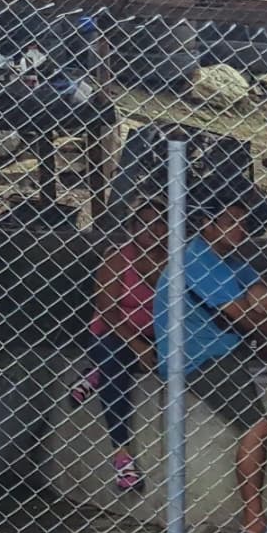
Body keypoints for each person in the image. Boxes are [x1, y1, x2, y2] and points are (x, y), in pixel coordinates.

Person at [156, 182, 267, 533]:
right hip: (198, 355)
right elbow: (245, 316)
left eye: (242, 223)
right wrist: (265, 320)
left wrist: (264, 317)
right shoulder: (198, 259)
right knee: (258, 426)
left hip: (224, 347)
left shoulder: (231, 263)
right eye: (229, 222)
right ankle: (254, 520)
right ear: (207, 225)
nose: (239, 230)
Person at [76, 202, 160, 495]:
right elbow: (107, 311)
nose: (154, 230)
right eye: (145, 224)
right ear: (133, 229)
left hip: (154, 335)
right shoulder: (117, 258)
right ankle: (122, 457)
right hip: (112, 333)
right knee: (115, 362)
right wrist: (136, 344)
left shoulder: (174, 259)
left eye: (160, 223)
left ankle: (94, 375)